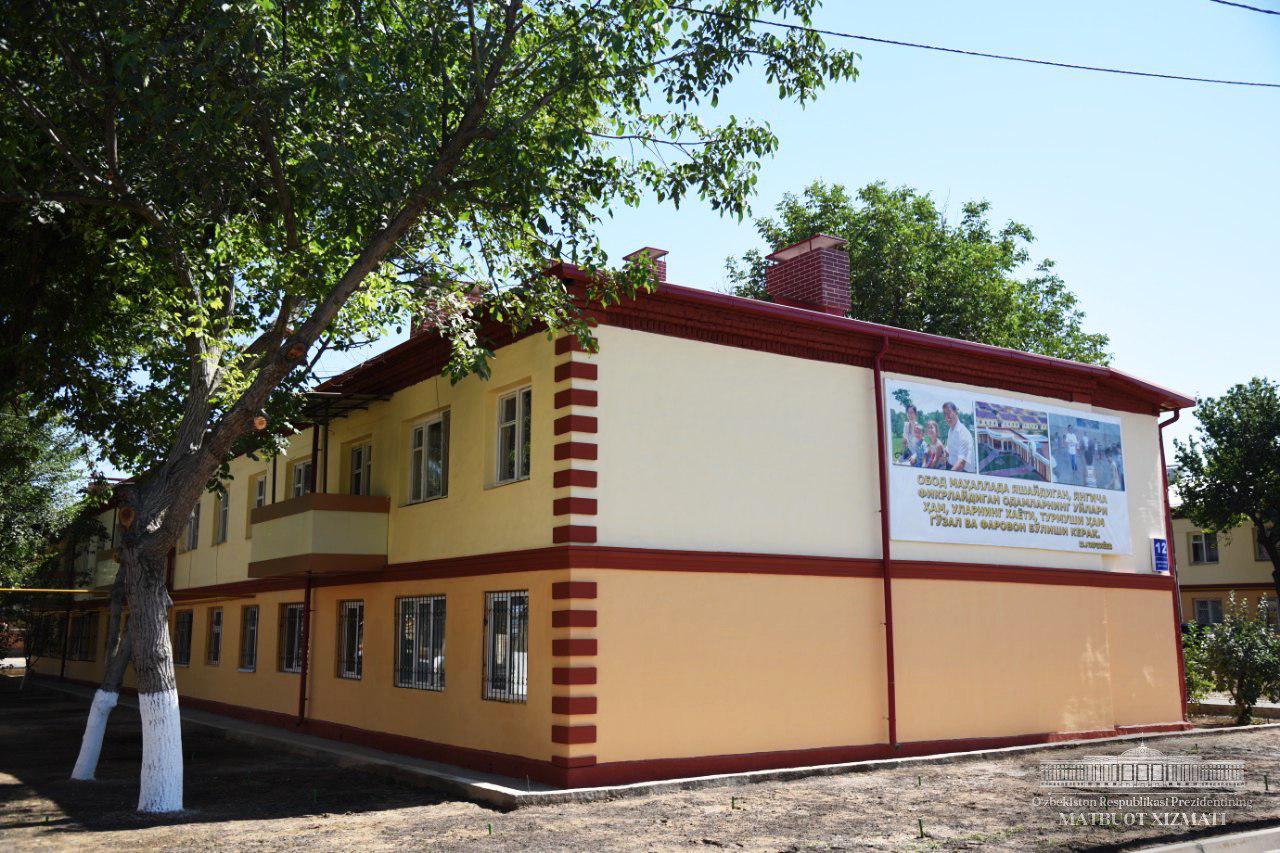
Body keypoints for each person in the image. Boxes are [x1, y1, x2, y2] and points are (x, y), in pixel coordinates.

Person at [942, 402, 974, 473]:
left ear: (956, 412)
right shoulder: (951, 430)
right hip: (951, 466)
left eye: (949, 413)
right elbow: (949, 450)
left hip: (964, 472)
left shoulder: (963, 433)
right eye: (945, 414)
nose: (947, 417)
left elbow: (961, 463)